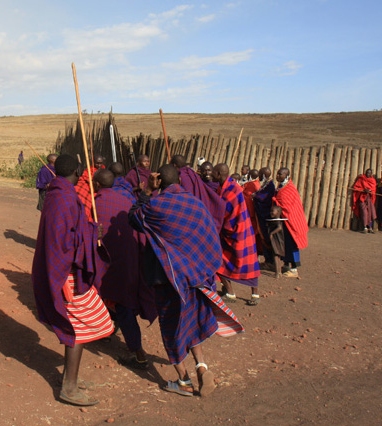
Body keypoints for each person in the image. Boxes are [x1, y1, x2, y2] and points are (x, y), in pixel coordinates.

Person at [129, 164, 243, 398]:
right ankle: (202, 367)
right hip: (194, 276)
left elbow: (133, 217)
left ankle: (183, 380)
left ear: (158, 181)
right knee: (189, 321)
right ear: (180, 181)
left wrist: (147, 191)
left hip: (167, 277)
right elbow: (208, 235)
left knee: (171, 326)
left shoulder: (154, 206)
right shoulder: (195, 204)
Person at [31, 154, 113, 407]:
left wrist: (88, 230)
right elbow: (63, 242)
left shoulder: (57, 193)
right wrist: (92, 233)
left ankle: (70, 378)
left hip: (68, 270)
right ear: (77, 171)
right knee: (80, 326)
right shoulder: (64, 197)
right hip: (67, 274)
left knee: (80, 324)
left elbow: (68, 231)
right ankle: (69, 387)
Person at [93, 169, 156, 370]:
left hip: (111, 263)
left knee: (122, 304)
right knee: (115, 299)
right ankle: (107, 330)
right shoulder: (126, 201)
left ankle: (139, 353)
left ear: (97, 185)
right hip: (131, 260)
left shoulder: (95, 204)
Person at [211, 164, 261, 305]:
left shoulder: (232, 190)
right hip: (230, 230)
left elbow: (226, 212)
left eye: (213, 172)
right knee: (220, 261)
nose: (211, 175)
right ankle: (230, 292)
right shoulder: (223, 187)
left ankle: (255, 294)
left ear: (219, 174)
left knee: (248, 262)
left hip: (239, 230)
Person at [172, 155, 226, 234]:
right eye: (204, 171)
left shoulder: (218, 186)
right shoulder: (198, 182)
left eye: (209, 170)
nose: (207, 173)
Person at [273, 168, 308, 278]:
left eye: (280, 174)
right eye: (277, 174)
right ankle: (286, 264)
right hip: (284, 220)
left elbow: (289, 206)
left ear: (287, 176)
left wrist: (275, 201)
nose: (277, 176)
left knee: (292, 243)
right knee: (285, 243)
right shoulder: (281, 187)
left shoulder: (289, 189)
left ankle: (294, 269)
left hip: (291, 220)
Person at [253, 167, 277, 269]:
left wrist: (255, 196)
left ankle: (270, 262)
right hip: (262, 216)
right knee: (264, 238)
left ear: (263, 175)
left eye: (260, 174)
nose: (258, 176)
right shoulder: (266, 185)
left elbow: (265, 198)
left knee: (267, 238)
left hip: (266, 216)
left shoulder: (270, 186)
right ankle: (268, 260)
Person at [75, 154, 105, 219]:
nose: (99, 165)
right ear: (93, 163)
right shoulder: (88, 171)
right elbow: (85, 179)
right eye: (97, 163)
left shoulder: (104, 171)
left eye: (101, 163)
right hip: (92, 192)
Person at [352, 169, 377, 234]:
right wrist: (363, 190)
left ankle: (370, 227)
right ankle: (365, 227)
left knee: (370, 212)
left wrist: (370, 191)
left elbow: (373, 189)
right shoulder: (361, 179)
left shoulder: (373, 180)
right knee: (364, 212)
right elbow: (356, 187)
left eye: (369, 173)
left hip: (369, 198)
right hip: (362, 198)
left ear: (371, 174)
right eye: (367, 173)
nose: (368, 174)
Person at [267, 205, 285, 278]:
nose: (271, 212)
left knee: (276, 256)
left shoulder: (277, 221)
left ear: (278, 212)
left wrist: (272, 233)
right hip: (277, 240)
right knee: (277, 256)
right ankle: (279, 272)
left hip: (277, 241)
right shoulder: (275, 220)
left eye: (272, 211)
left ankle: (277, 273)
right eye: (270, 211)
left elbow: (279, 228)